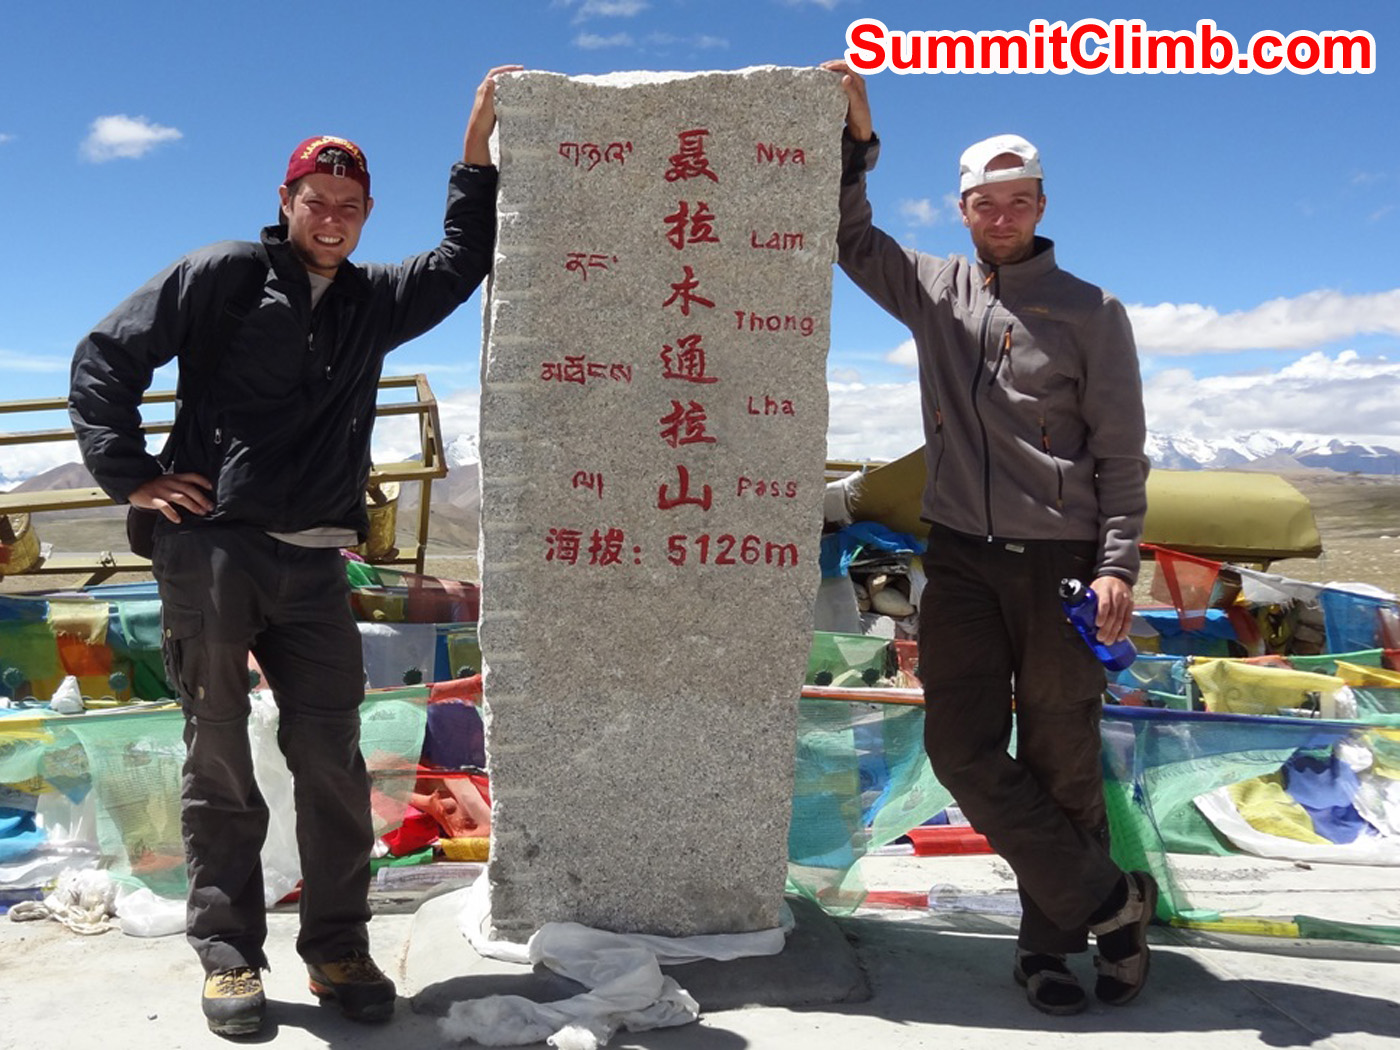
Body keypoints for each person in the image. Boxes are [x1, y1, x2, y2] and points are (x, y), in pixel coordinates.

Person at [69, 65, 521, 1037]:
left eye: (351, 207)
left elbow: (460, 257)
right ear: (286, 201)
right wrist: (131, 472)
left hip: (317, 568)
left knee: (329, 757)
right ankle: (229, 956)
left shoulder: (371, 303)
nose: (333, 219)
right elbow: (107, 355)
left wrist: (474, 139)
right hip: (213, 556)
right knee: (220, 756)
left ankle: (338, 948)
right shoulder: (224, 274)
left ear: (364, 214)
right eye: (317, 201)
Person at [822, 60, 1157, 1017]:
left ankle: (1048, 949)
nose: (1002, 216)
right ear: (962, 209)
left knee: (1061, 756)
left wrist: (1116, 566)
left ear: (1041, 203)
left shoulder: (1093, 313)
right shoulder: (935, 291)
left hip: (1062, 568)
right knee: (961, 748)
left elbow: (1123, 456)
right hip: (962, 556)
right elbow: (850, 238)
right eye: (985, 202)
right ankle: (1109, 900)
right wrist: (858, 140)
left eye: (1019, 201)